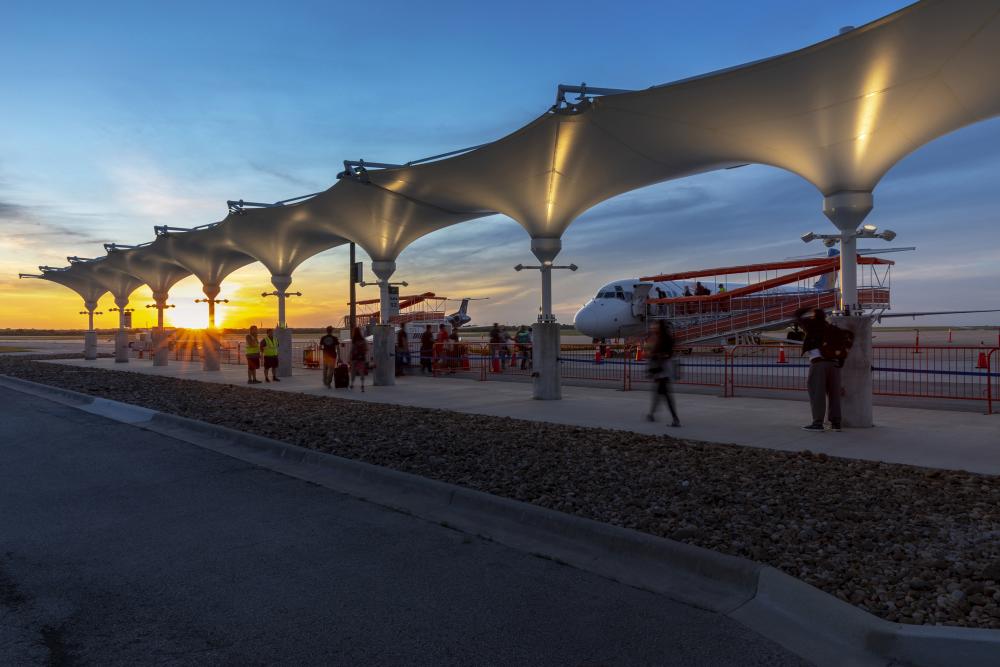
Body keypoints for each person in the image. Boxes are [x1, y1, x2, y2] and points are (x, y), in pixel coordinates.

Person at [794, 307, 841, 432]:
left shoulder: (812, 325)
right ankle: (836, 423)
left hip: (819, 363)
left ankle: (818, 423)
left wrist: (808, 307)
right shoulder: (831, 328)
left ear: (814, 317)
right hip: (834, 364)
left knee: (817, 393)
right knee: (834, 394)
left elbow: (797, 315)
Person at [646, 320, 680, 427]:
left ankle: (675, 419)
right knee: (659, 393)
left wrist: (656, 358)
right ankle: (651, 414)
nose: (653, 327)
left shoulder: (664, 339)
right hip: (662, 369)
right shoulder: (662, 338)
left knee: (664, 395)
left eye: (655, 325)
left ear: (660, 327)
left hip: (662, 370)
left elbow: (665, 354)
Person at [350, 327, 368, 392]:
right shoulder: (363, 340)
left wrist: (349, 357)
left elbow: (352, 350)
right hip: (362, 357)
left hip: (355, 358)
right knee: (361, 371)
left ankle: (352, 384)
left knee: (353, 371)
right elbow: (366, 349)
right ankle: (362, 385)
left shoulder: (354, 340)